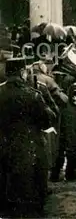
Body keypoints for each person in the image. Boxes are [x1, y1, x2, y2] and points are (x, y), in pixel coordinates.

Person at [0, 57, 54, 218]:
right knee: (30, 191)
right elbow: (46, 122)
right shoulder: (33, 94)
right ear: (22, 72)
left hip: (3, 146)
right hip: (29, 147)